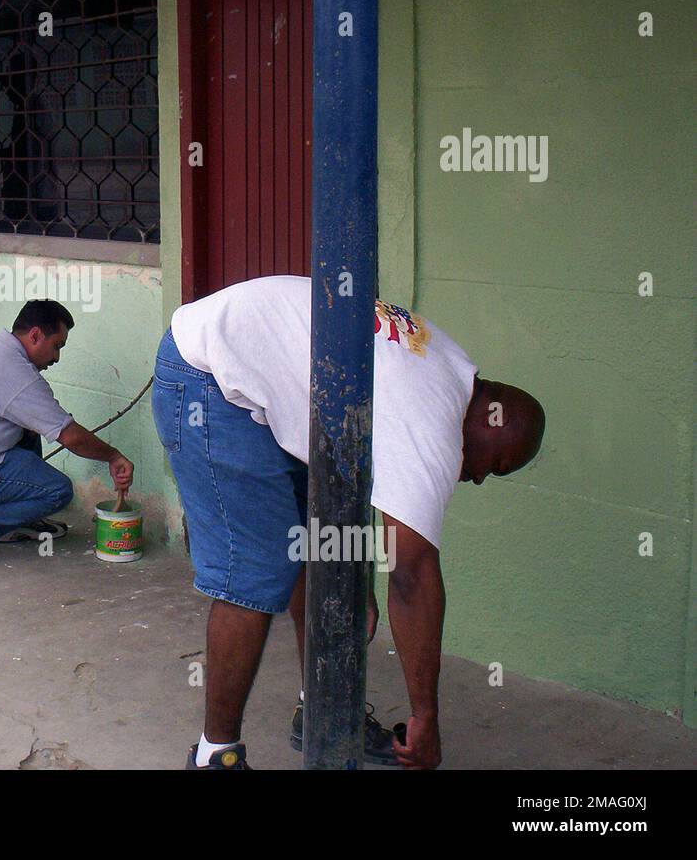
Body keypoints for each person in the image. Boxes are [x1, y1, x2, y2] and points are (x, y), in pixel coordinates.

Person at [155, 276, 545, 771]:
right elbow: (412, 577)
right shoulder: (435, 426)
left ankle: (323, 711)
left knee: (325, 561)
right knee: (254, 573)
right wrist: (426, 715)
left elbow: (362, 462)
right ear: (495, 425)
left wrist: (353, 578)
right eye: (499, 465)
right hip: (207, 375)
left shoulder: (454, 371)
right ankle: (216, 756)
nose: (483, 478)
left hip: (262, 373)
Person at [0, 300, 135, 564]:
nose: (57, 357)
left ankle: (15, 522)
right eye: (56, 346)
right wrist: (113, 456)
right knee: (58, 491)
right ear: (35, 335)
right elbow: (70, 436)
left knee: (30, 428)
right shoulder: (16, 374)